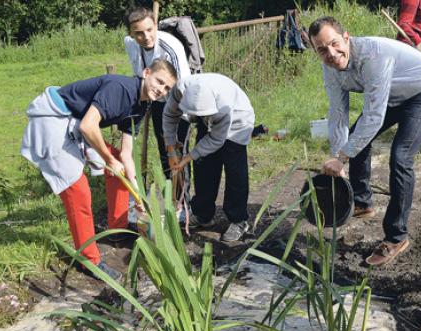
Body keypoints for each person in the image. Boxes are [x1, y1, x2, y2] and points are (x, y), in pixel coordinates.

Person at [20, 59, 177, 280]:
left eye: (167, 88)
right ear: (146, 72)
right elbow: (88, 126)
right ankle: (88, 261)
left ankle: (118, 229)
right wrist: (107, 159)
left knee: (118, 168)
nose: (161, 90)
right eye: (159, 81)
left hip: (76, 122)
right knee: (78, 191)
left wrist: (137, 195)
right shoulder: (120, 89)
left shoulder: (142, 105)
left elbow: (125, 154)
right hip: (55, 118)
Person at [308, 16, 421, 265]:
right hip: (392, 97)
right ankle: (361, 201)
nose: (331, 53)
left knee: (401, 157)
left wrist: (341, 158)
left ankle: (396, 236)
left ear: (346, 37)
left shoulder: (372, 55)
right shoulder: (329, 67)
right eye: (322, 49)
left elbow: (373, 116)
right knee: (355, 141)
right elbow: (338, 113)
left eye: (334, 43)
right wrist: (338, 157)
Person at [163, 73, 254, 242]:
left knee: (235, 169)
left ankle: (238, 219)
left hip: (237, 118)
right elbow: (169, 116)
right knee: (204, 166)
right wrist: (171, 150)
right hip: (209, 118)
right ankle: (203, 213)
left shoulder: (224, 106)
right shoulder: (180, 89)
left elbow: (216, 140)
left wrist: (188, 157)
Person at [124, 6, 191, 179]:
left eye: (149, 30)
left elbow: (182, 87)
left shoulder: (171, 48)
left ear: (155, 25)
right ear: (131, 33)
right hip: (156, 100)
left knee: (176, 151)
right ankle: (169, 193)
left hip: (179, 104)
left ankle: (183, 201)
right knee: (163, 148)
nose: (146, 37)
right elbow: (139, 75)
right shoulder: (130, 44)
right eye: (139, 33)